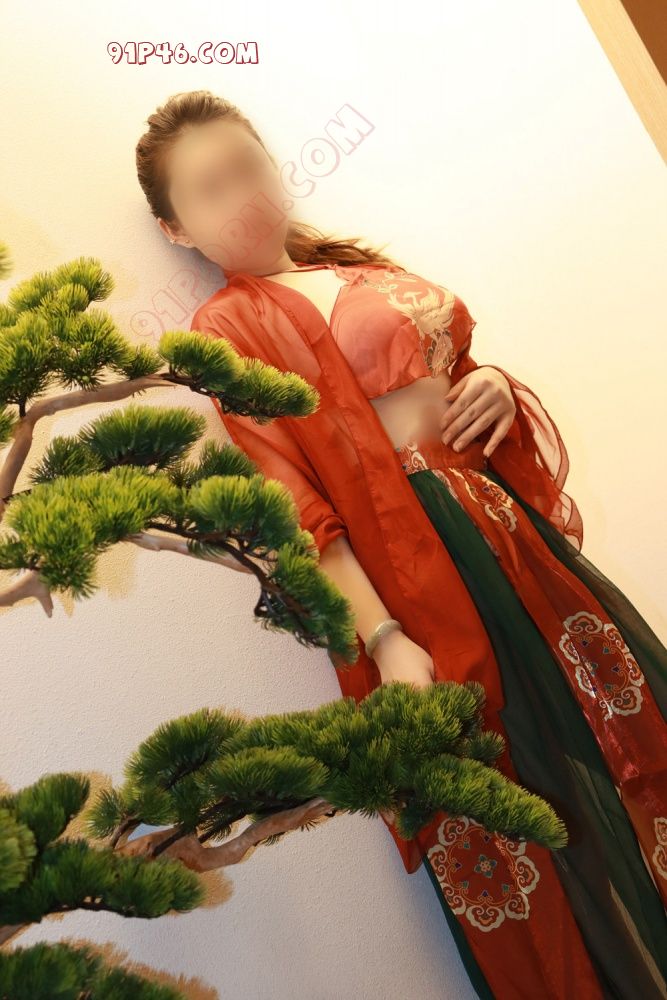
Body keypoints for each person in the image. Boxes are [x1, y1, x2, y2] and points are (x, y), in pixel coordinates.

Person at [136, 89, 667, 999]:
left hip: (506, 536)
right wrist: (382, 638)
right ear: (176, 229)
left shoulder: (364, 271)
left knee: (625, 742)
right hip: (421, 575)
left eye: (248, 168)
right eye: (211, 189)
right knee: (523, 803)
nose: (243, 197)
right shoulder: (224, 330)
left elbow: (452, 377)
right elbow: (294, 507)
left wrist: (493, 385)